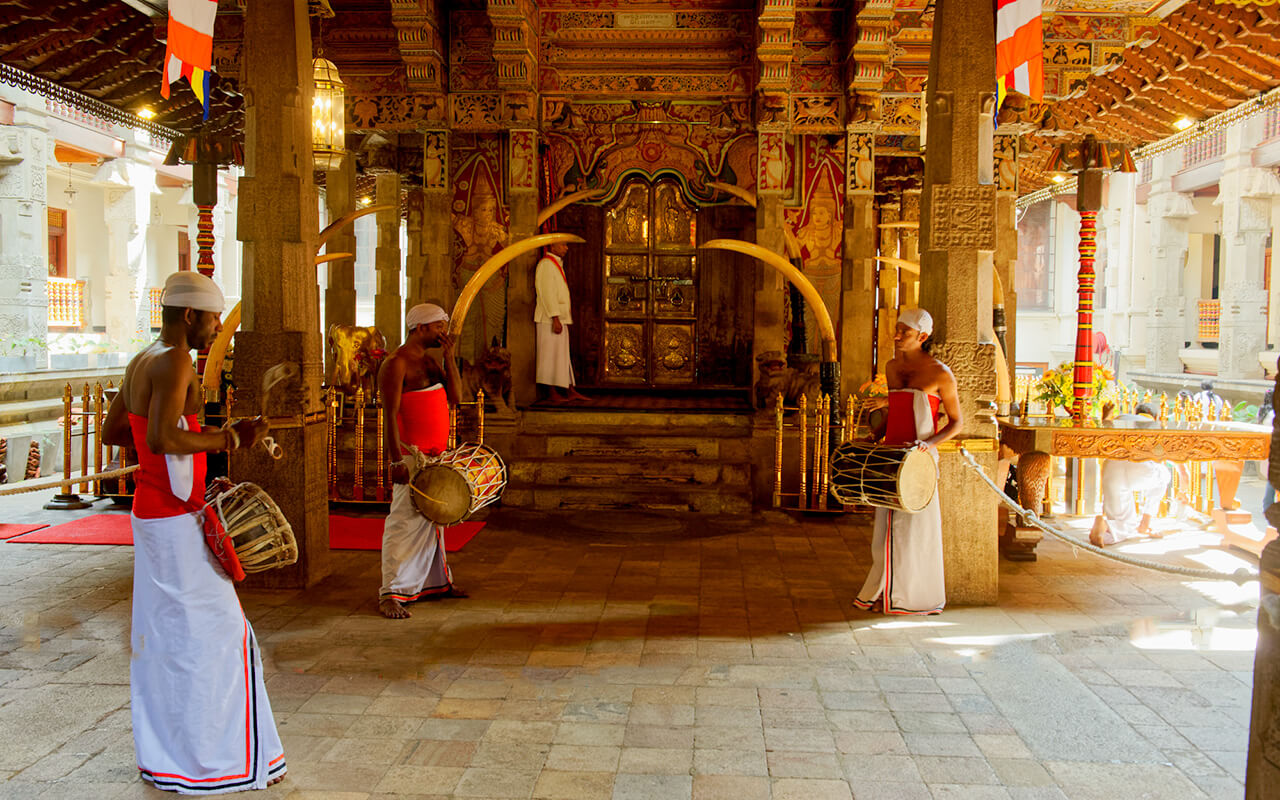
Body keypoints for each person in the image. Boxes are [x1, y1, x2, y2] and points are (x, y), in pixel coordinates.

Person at [100, 271, 283, 793]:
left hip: (153, 514)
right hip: (175, 521)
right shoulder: (176, 360)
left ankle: (169, 753)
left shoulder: (143, 359)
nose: (217, 327)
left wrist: (192, 458)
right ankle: (209, 760)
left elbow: (119, 432)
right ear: (189, 316)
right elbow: (159, 437)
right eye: (212, 317)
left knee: (169, 634)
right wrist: (228, 437)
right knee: (218, 635)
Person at [853, 308, 962, 615]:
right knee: (885, 526)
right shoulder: (891, 368)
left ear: (923, 337)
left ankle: (910, 598)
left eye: (905, 332)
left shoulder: (941, 373)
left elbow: (956, 423)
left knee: (914, 528)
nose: (897, 335)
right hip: (891, 454)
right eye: (897, 329)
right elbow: (895, 412)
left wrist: (927, 446)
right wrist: (874, 437)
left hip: (920, 459)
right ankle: (883, 592)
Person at [378, 302, 468, 619]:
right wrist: (394, 461)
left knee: (434, 522)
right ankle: (391, 592)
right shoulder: (396, 363)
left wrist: (449, 358)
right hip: (410, 455)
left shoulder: (430, 363)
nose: (444, 333)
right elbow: (389, 415)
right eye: (439, 327)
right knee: (403, 522)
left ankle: (435, 583)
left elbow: (456, 397)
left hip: (437, 455)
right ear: (421, 328)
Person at [1090, 403, 1171, 547]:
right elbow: (1162, 454)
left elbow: (1103, 434)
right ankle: (1145, 523)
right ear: (1156, 416)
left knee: (1122, 523)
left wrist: (1106, 417)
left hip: (1111, 468)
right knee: (1164, 475)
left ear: (1136, 412)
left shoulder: (1120, 418)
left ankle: (1104, 528)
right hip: (1139, 469)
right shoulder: (1156, 425)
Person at [534, 240, 588, 404]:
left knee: (562, 355)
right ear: (552, 246)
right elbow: (547, 293)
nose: (566, 248)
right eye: (562, 245)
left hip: (559, 318)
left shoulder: (555, 264)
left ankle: (568, 388)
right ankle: (551, 391)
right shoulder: (545, 265)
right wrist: (555, 317)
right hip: (549, 319)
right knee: (549, 356)